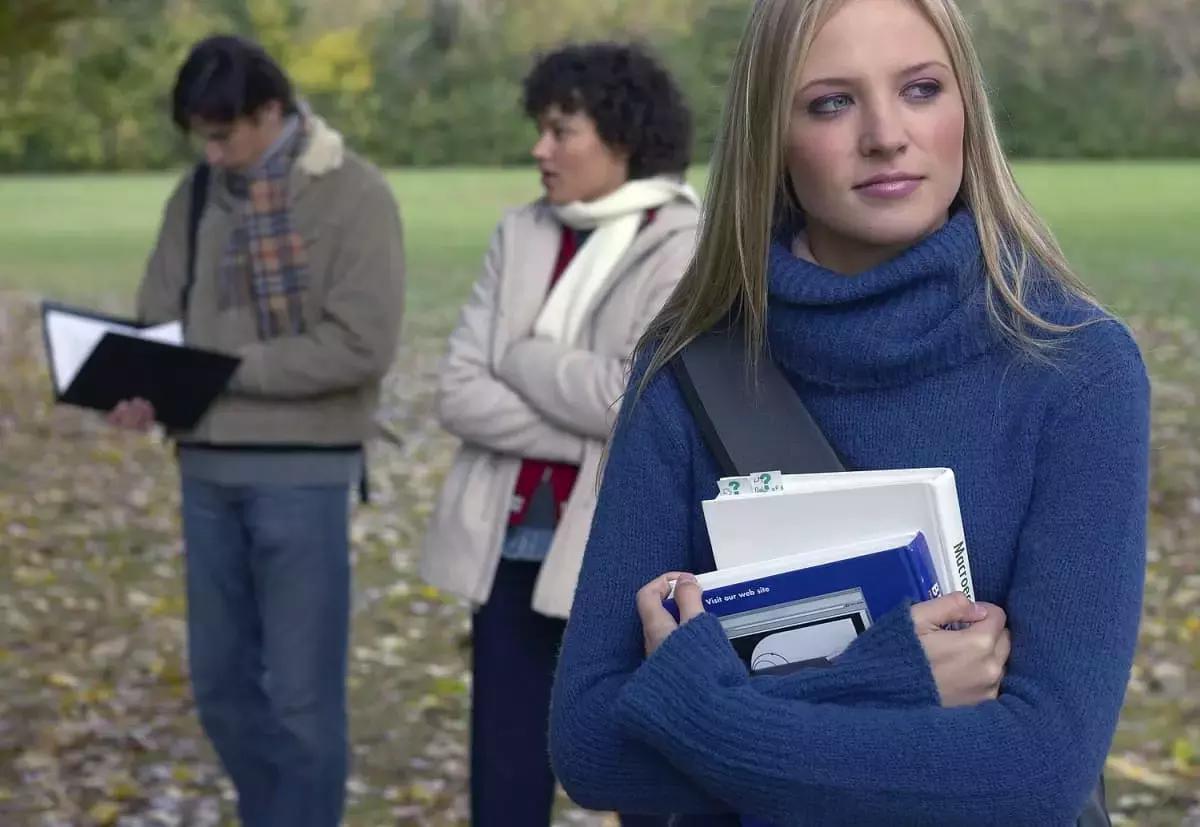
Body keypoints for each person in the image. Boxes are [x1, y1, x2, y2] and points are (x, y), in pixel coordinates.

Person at [549, 1, 1149, 825]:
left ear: (967, 108)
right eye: (831, 102)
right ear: (771, 136)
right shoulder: (687, 367)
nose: (886, 135)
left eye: (921, 89)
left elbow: (1039, 772)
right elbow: (591, 744)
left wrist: (700, 708)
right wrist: (884, 681)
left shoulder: (1077, 366)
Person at [109, 35, 404, 827]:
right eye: (200, 137)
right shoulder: (198, 194)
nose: (211, 153)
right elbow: (158, 315)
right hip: (205, 469)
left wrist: (222, 368)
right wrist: (139, 381)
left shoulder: (353, 193)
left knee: (303, 703)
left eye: (222, 134)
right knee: (220, 689)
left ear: (270, 111)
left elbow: (361, 345)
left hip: (303, 474)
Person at [419, 42, 699, 827]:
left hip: (620, 544)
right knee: (505, 764)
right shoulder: (521, 232)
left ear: (623, 137)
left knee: (640, 771)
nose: (540, 150)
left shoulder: (685, 242)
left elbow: (631, 399)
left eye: (561, 131)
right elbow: (458, 391)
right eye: (540, 130)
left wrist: (522, 357)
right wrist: (585, 427)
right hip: (509, 537)